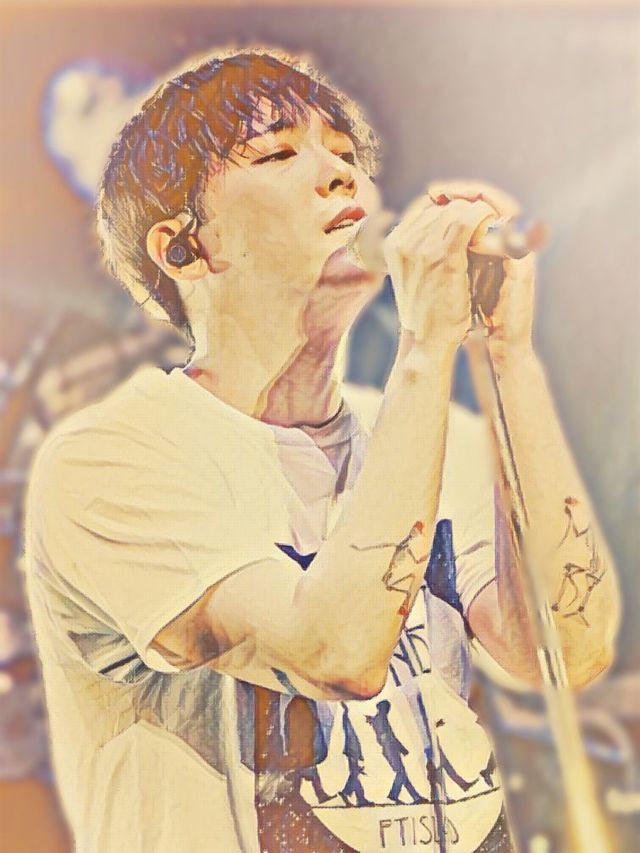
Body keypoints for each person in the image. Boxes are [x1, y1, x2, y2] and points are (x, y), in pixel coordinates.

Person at [23, 47, 621, 852]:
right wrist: (424, 346)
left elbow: (566, 649)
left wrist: (510, 355)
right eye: (276, 155)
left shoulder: (435, 434)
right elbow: (335, 650)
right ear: (183, 249)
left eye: (344, 155)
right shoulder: (111, 462)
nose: (340, 177)